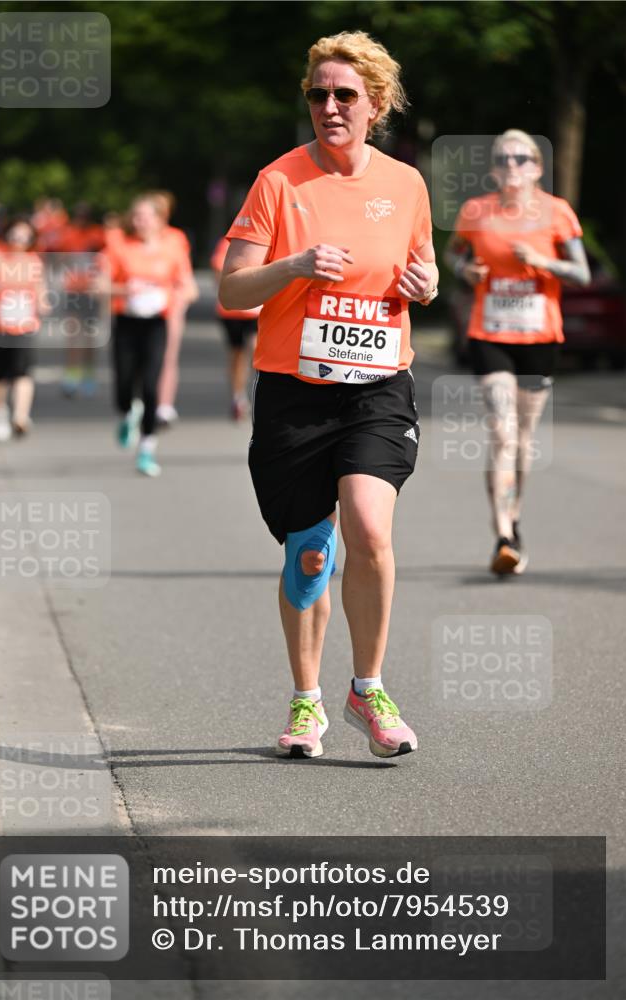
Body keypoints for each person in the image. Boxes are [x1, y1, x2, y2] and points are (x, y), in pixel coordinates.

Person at [219, 30, 438, 759]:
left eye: (345, 95)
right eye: (319, 94)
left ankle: (367, 689)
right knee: (310, 555)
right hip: (295, 392)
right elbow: (231, 290)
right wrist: (294, 266)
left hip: (377, 387)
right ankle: (306, 698)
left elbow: (424, 267)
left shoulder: (405, 185)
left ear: (376, 104)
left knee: (369, 529)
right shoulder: (278, 181)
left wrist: (427, 283)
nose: (330, 106)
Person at [444, 129, 590, 575]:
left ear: (537, 168)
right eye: (503, 158)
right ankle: (504, 536)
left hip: (539, 338)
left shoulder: (557, 212)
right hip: (490, 335)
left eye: (521, 158)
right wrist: (465, 270)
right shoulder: (476, 211)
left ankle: (515, 516)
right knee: (503, 433)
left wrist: (542, 262)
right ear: (493, 169)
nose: (512, 165)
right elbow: (452, 255)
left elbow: (582, 274)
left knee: (523, 439)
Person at [101, 193, 193, 476]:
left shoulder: (172, 246)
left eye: (146, 216)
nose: (140, 221)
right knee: (124, 385)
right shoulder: (119, 246)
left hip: (156, 324)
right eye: (136, 216)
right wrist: (125, 289)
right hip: (126, 323)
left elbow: (188, 286)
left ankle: (146, 448)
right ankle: (129, 412)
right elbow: (99, 285)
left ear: (159, 219)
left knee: (152, 386)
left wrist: (172, 296)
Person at [0, 217, 48, 440]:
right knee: (1, 373)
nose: (19, 240)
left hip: (24, 324)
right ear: (7, 236)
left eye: (24, 236)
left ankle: (20, 416)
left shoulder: (34, 262)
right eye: (15, 235)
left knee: (23, 370)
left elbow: (40, 290)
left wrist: (43, 303)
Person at [152, 191, 199, 427]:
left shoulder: (175, 238)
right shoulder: (127, 241)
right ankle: (143, 400)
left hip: (169, 307)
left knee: (168, 356)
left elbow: (185, 277)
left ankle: (164, 405)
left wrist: (183, 296)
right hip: (137, 312)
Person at [57, 203, 105, 397]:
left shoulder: (98, 234)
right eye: (79, 216)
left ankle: (88, 375)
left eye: (85, 216)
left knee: (89, 337)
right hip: (73, 290)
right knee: (73, 335)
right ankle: (71, 375)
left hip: (92, 290)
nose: (82, 219)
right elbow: (59, 259)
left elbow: (107, 257)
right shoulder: (68, 234)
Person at [211, 236, 260, 419]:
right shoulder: (228, 242)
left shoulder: (269, 242)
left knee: (256, 349)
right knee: (237, 355)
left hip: (257, 311)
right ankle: (238, 397)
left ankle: (260, 391)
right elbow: (219, 271)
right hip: (232, 312)